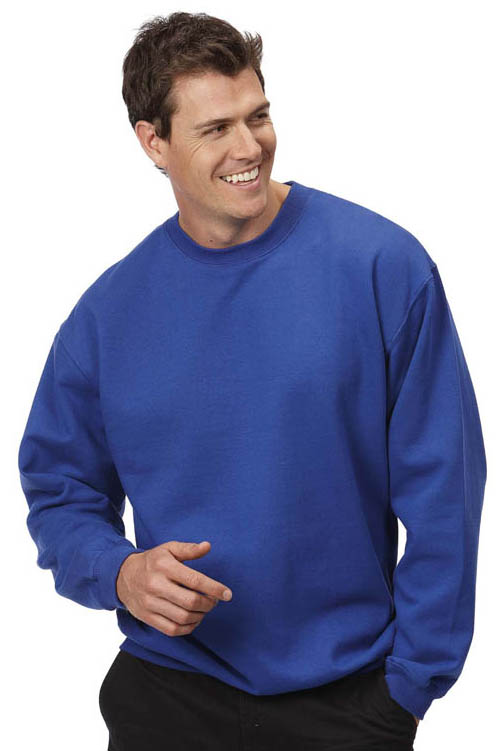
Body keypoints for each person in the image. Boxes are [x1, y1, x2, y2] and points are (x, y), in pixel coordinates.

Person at [18, 11, 487, 751]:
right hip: (167, 692)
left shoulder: (383, 268)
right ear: (153, 142)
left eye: (258, 117)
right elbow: (59, 490)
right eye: (215, 129)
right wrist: (119, 571)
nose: (249, 148)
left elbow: (445, 495)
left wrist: (409, 686)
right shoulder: (107, 316)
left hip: (349, 699)